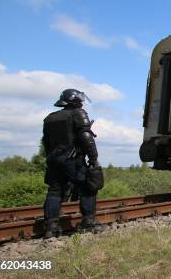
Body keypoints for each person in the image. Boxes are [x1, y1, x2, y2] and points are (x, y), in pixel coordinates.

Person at [42, 89, 103, 238]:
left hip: (53, 159)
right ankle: (88, 223)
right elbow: (87, 138)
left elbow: (46, 142)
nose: (82, 102)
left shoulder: (50, 118)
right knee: (88, 188)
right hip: (72, 159)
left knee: (55, 191)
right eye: (80, 100)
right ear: (74, 100)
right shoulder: (78, 114)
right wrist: (93, 158)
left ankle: (51, 227)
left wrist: (52, 157)